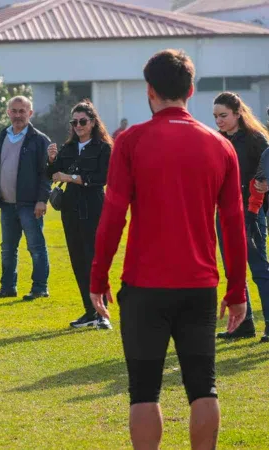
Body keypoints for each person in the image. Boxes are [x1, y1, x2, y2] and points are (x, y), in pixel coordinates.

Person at [90, 49, 247, 450]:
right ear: (191, 90)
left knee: (144, 391)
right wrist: (236, 290)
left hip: (145, 286)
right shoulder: (220, 145)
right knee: (203, 386)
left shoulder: (131, 141)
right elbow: (233, 224)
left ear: (150, 92)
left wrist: (97, 276)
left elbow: (113, 215)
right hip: (198, 285)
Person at [0, 96, 51, 301]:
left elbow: (47, 174)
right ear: (8, 112)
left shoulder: (40, 140)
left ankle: (40, 288)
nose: (18, 115)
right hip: (7, 205)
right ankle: (8, 287)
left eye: (22, 111)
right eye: (14, 111)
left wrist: (42, 200)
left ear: (30, 113)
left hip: (30, 205)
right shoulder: (3, 136)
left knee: (36, 247)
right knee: (8, 249)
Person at [46, 101, 112, 329]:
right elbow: (51, 174)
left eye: (83, 121)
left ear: (93, 123)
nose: (78, 126)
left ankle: (102, 313)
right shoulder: (69, 148)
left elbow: (102, 178)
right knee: (78, 260)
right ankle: (89, 310)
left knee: (94, 260)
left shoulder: (103, 148)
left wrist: (71, 178)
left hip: (93, 208)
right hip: (71, 210)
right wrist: (52, 160)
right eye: (74, 122)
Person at [212, 92, 269, 342]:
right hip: (223, 214)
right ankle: (244, 324)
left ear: (238, 113)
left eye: (223, 116)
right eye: (215, 117)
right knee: (233, 271)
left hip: (251, 215)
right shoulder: (217, 141)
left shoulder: (257, 140)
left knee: (259, 269)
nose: (219, 121)